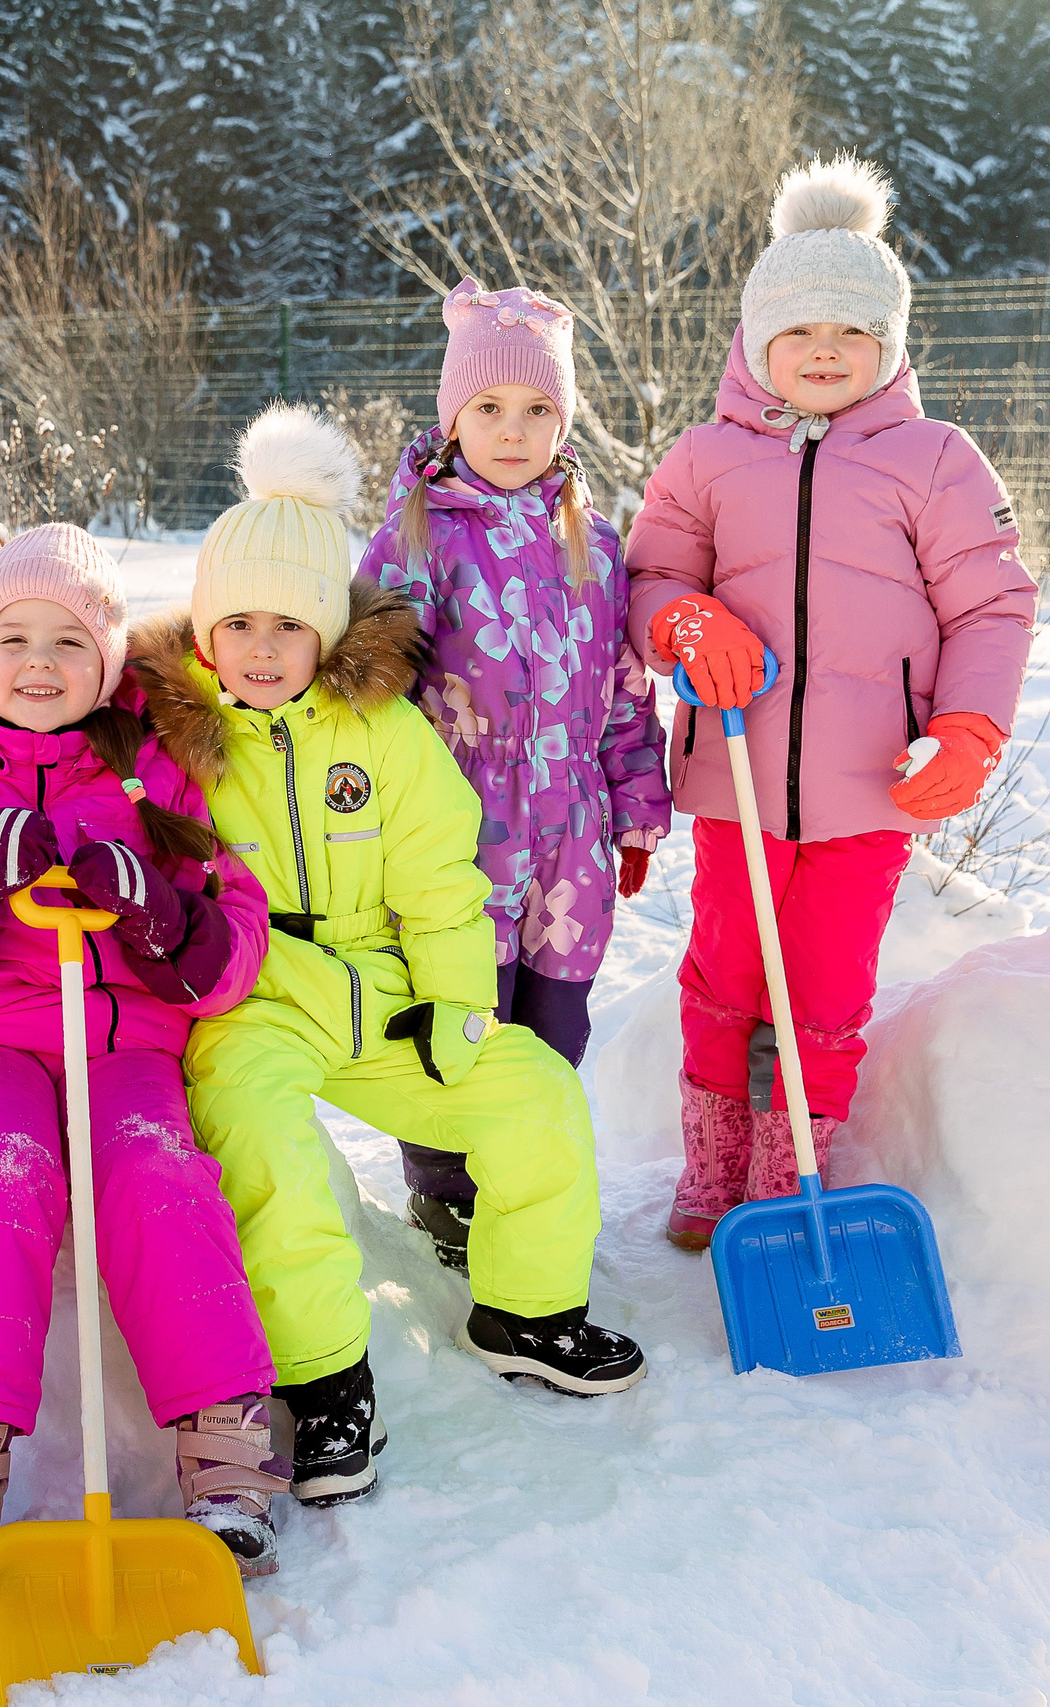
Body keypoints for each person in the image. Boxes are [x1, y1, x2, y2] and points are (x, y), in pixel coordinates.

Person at [132, 406, 647, 1512]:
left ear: (326, 631)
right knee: (267, 1150)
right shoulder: (170, 739)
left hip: (383, 987)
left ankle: (526, 1310)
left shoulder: (385, 733)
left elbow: (441, 877)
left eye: (288, 624)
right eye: (238, 623)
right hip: (252, 998)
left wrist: (457, 1002)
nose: (261, 648)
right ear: (206, 631)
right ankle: (324, 1380)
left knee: (537, 1092)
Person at [0, 524, 285, 1611]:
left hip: (119, 1039)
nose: (40, 662)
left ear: (109, 661)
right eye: (14, 638)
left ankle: (226, 1455)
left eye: (69, 641)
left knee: (158, 1172)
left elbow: (233, 942)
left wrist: (158, 911)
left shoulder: (156, 783)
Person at [626, 155, 1037, 1250]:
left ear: (889, 346)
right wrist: (684, 623)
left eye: (852, 331)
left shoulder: (936, 461)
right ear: (755, 341)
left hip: (869, 786)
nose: (823, 349)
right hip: (738, 772)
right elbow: (651, 577)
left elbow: (992, 604)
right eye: (799, 329)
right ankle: (713, 1163)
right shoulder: (705, 459)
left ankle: (788, 1174)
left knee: (824, 986)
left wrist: (969, 727)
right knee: (725, 971)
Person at [360, 277, 672, 1273]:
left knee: (553, 1017)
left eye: (538, 409)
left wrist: (635, 808)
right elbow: (372, 701)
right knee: (462, 1009)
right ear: (454, 414)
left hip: (571, 833)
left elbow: (624, 691)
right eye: (489, 406)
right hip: (457, 825)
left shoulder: (595, 544)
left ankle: (525, 1177)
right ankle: (445, 1190)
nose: (512, 429)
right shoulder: (416, 539)